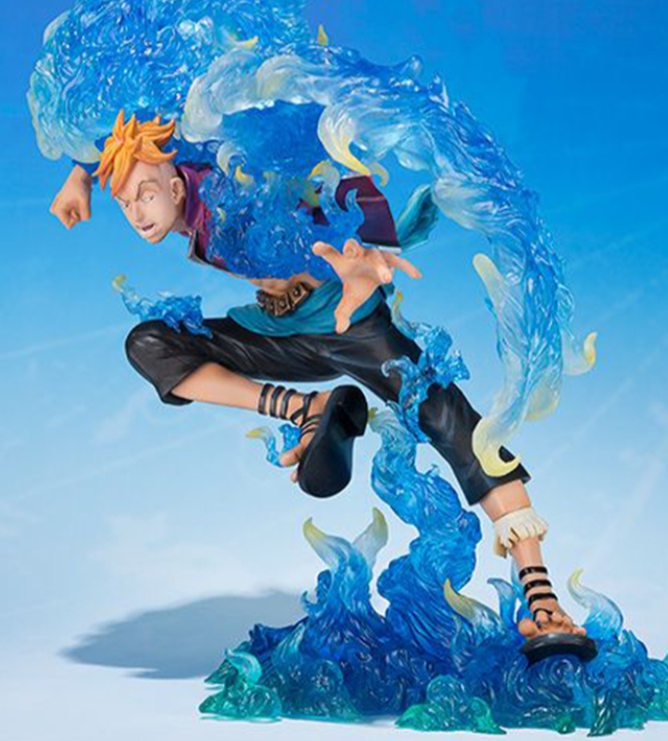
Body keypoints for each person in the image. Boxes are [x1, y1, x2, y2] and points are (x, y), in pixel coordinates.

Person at [50, 109, 592, 659]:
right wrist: (78, 175)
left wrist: (373, 246)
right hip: (276, 335)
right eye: (125, 203)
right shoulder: (173, 168)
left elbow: (345, 187)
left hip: (350, 323)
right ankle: (307, 408)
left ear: (173, 186)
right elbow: (118, 130)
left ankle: (541, 597)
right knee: (150, 343)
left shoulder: (237, 180)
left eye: (145, 196)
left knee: (453, 423)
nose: (137, 214)